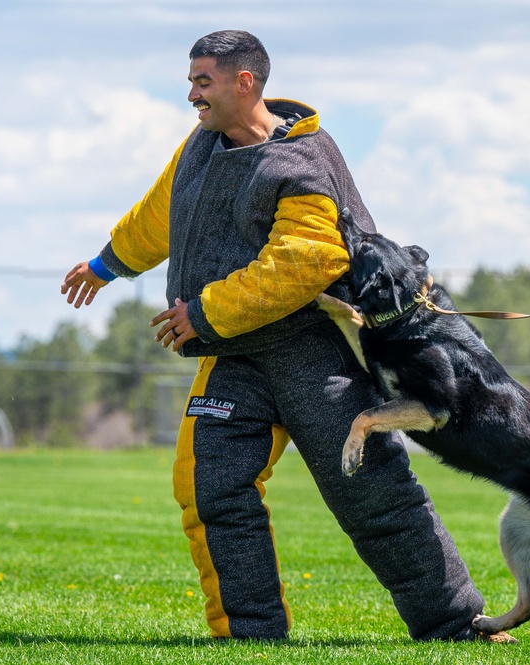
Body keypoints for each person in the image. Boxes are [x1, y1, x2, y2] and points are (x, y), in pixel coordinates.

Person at [60, 30, 500, 643]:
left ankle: (455, 622)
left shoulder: (303, 159)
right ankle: (250, 634)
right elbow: (161, 212)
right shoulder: (200, 148)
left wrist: (204, 312)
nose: (191, 94)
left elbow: (304, 263)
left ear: (246, 82)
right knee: (211, 488)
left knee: (374, 496)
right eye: (191, 80)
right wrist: (106, 266)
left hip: (317, 354)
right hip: (235, 358)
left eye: (202, 81)